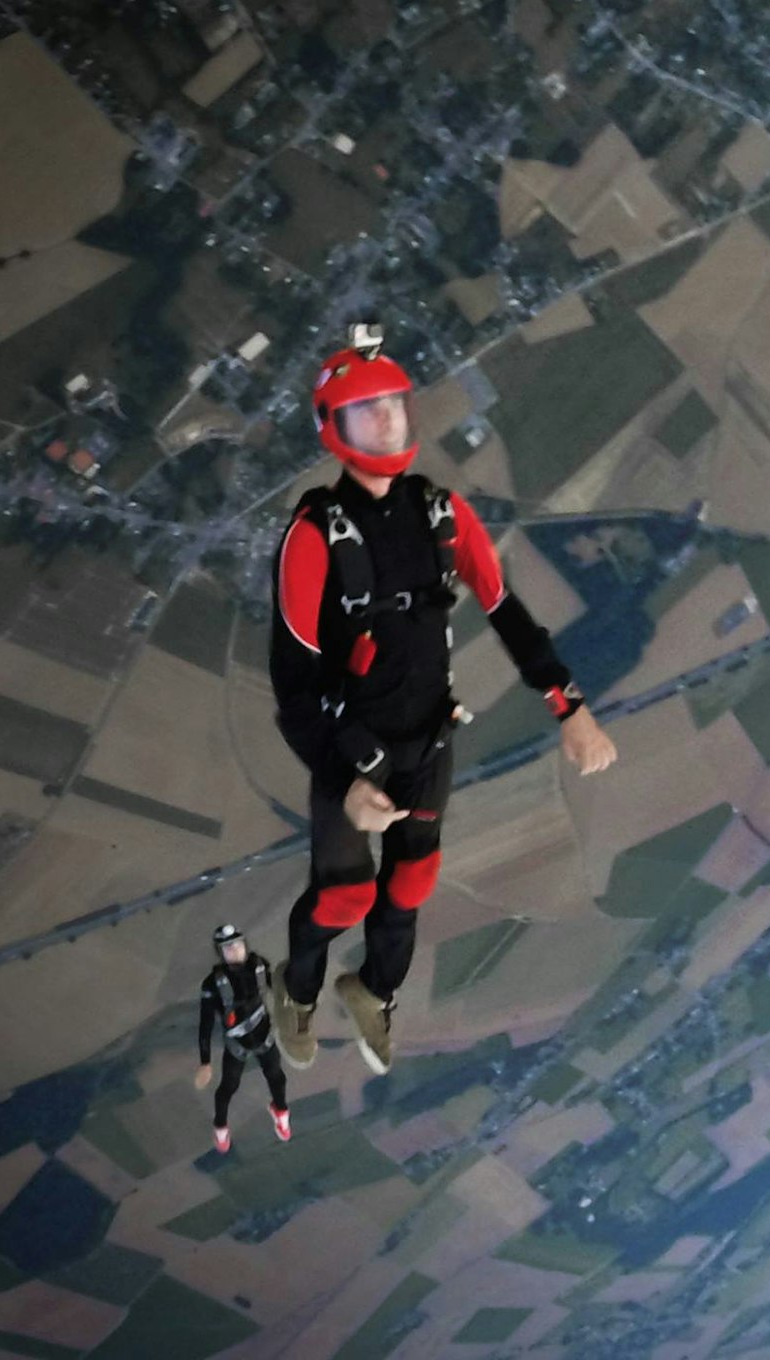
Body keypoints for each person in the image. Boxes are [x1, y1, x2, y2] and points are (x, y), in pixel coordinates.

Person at [268, 327, 619, 1075]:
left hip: (429, 739)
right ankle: (295, 989)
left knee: (413, 883)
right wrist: (348, 781)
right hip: (352, 749)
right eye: (367, 414)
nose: (388, 422)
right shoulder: (313, 538)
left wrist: (571, 706)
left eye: (393, 406)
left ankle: (375, 990)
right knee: (345, 900)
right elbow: (295, 689)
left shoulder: (441, 514)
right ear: (334, 429)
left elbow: (507, 611)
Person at [195, 922, 290, 1152]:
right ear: (221, 953)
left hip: (264, 1035)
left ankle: (280, 1111)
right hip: (237, 1043)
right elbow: (205, 1023)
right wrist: (205, 1061)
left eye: (237, 945)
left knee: (277, 1077)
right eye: (228, 948)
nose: (235, 950)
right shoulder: (212, 984)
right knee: (228, 1087)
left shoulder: (259, 967)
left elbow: (279, 994)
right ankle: (220, 1127)